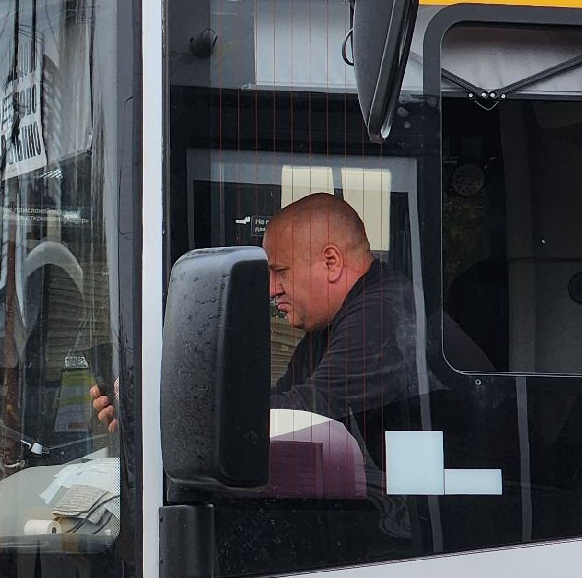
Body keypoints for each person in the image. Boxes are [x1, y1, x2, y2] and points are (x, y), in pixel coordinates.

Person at [92, 192, 487, 461]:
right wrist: (149, 412)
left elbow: (299, 419)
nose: (270, 289)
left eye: (279, 272)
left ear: (331, 262)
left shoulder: (382, 314)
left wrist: (161, 414)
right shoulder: (331, 326)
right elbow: (274, 410)